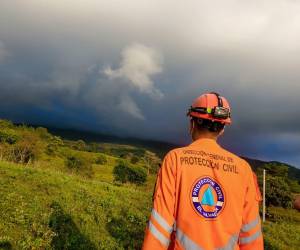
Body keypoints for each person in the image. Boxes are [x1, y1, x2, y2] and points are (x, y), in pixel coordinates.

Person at [142, 92, 263, 250]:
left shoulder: (175, 159)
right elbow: (251, 234)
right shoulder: (243, 169)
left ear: (192, 123)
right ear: (222, 129)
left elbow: (160, 224)